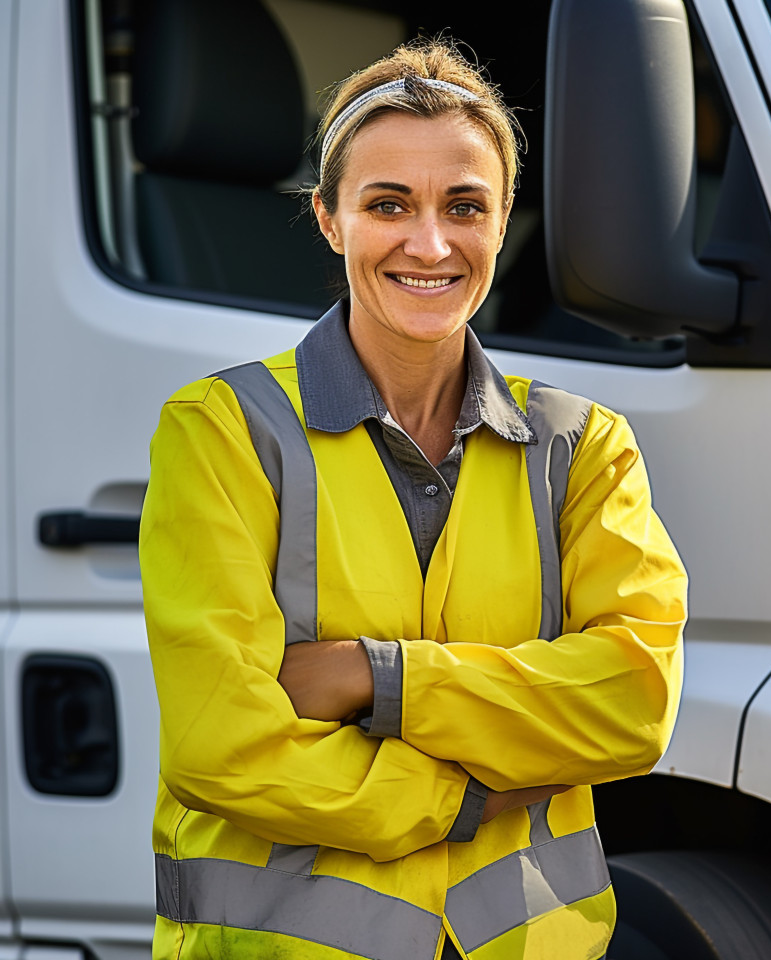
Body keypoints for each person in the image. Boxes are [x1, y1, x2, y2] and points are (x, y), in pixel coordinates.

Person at [140, 38, 687, 960]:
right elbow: (221, 745)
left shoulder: (584, 449)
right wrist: (474, 790)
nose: (430, 244)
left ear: (504, 219)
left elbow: (633, 700)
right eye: (387, 204)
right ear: (328, 219)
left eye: (464, 206)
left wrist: (378, 676)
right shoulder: (224, 431)